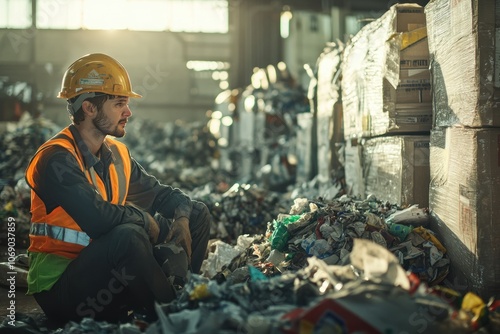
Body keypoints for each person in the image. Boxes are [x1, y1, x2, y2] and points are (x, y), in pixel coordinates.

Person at [24, 53, 211, 324]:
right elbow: (98, 219)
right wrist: (144, 220)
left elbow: (163, 196)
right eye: (119, 103)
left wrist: (182, 218)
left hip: (107, 275)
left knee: (197, 212)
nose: (128, 112)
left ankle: (176, 294)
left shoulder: (116, 154)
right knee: (129, 236)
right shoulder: (56, 159)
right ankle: (174, 318)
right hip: (64, 290)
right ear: (89, 108)